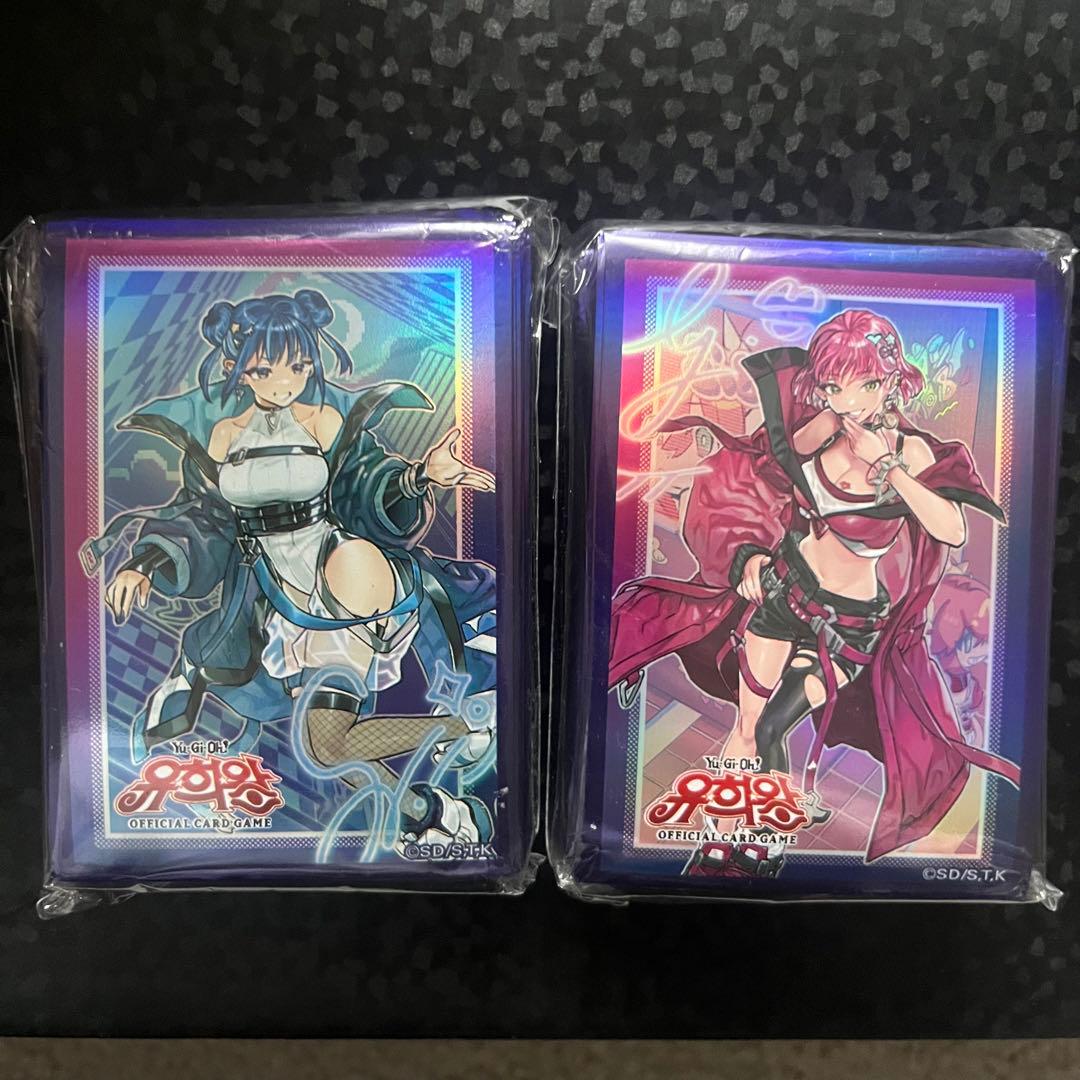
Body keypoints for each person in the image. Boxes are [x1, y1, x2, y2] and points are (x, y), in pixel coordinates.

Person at [84, 289, 498, 847]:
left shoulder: (326, 421)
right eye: (265, 370)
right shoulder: (222, 435)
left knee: (325, 741)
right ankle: (436, 799)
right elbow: (203, 516)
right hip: (272, 598)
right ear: (236, 367)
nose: (284, 383)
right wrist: (147, 561)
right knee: (327, 747)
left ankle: (436, 796)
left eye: (298, 366)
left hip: (340, 576)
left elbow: (367, 484)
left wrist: (419, 476)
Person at [609, 308, 1018, 861]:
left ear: (890, 380)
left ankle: (766, 843)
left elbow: (952, 528)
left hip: (848, 622)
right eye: (833, 386)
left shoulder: (912, 452)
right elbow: (766, 473)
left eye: (864, 385)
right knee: (749, 723)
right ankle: (718, 844)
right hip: (787, 592)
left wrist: (890, 467)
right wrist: (750, 555)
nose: (848, 401)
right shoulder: (824, 428)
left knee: (774, 726)